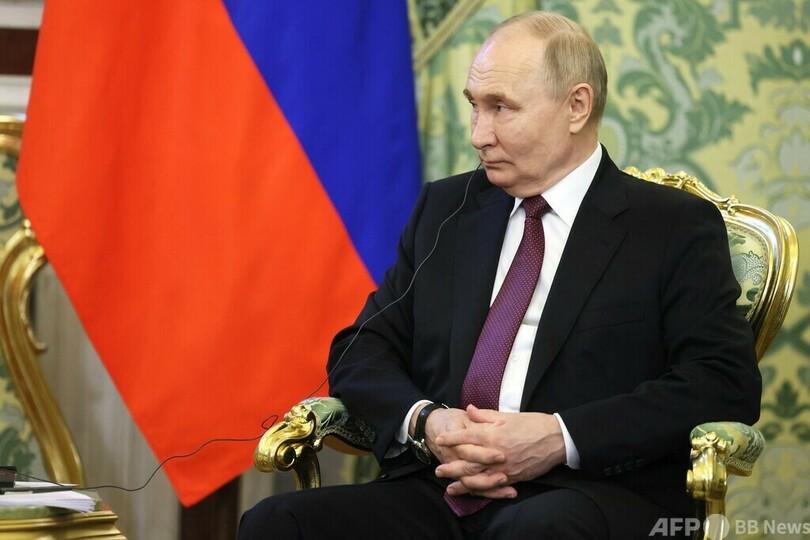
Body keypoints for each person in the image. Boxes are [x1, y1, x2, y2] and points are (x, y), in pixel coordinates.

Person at [238, 10, 760, 539]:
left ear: (576, 107)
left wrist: (558, 437)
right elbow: (360, 350)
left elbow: (723, 380)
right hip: (439, 487)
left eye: (501, 108)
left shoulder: (669, 225)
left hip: (586, 492)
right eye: (474, 106)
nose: (478, 135)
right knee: (278, 522)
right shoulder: (447, 209)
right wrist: (427, 422)